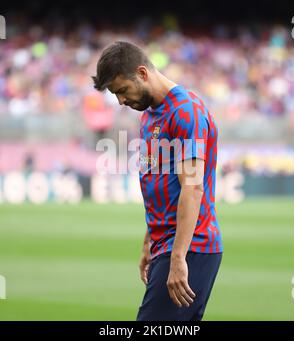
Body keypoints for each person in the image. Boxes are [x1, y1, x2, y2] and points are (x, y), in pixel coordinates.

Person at [92, 41, 223, 321]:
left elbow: (193, 186)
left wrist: (178, 258)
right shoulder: (149, 117)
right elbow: (157, 186)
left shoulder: (185, 111)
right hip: (166, 245)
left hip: (190, 246)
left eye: (122, 91)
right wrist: (148, 243)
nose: (121, 102)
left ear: (142, 72)